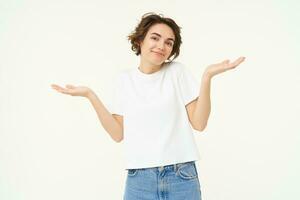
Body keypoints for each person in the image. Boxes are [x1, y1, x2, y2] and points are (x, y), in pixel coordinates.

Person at [51, 12, 245, 200]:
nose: (162, 46)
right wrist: (90, 95)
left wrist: (207, 77)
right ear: (139, 41)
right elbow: (118, 134)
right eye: (155, 38)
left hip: (181, 177)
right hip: (139, 181)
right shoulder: (124, 80)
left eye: (169, 42)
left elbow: (200, 123)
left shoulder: (177, 72)